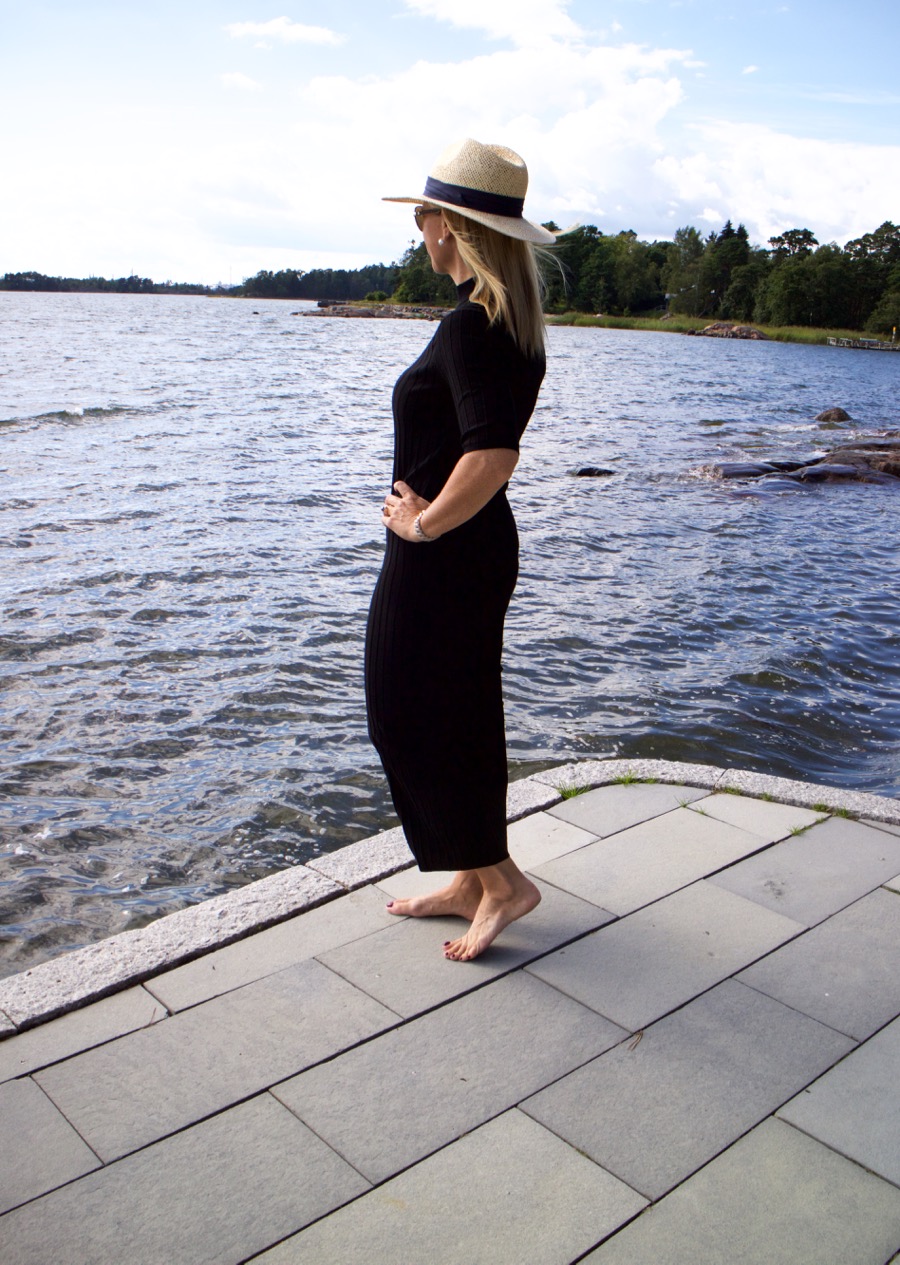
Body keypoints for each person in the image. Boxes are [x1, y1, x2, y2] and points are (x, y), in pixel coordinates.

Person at [365, 138, 555, 962]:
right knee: (459, 714)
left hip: (445, 555)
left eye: (422, 216)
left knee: (401, 712)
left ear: (449, 226)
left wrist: (424, 524)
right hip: (473, 554)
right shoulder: (510, 325)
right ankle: (472, 879)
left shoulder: (468, 326)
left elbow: (492, 454)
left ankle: (501, 882)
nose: (418, 230)